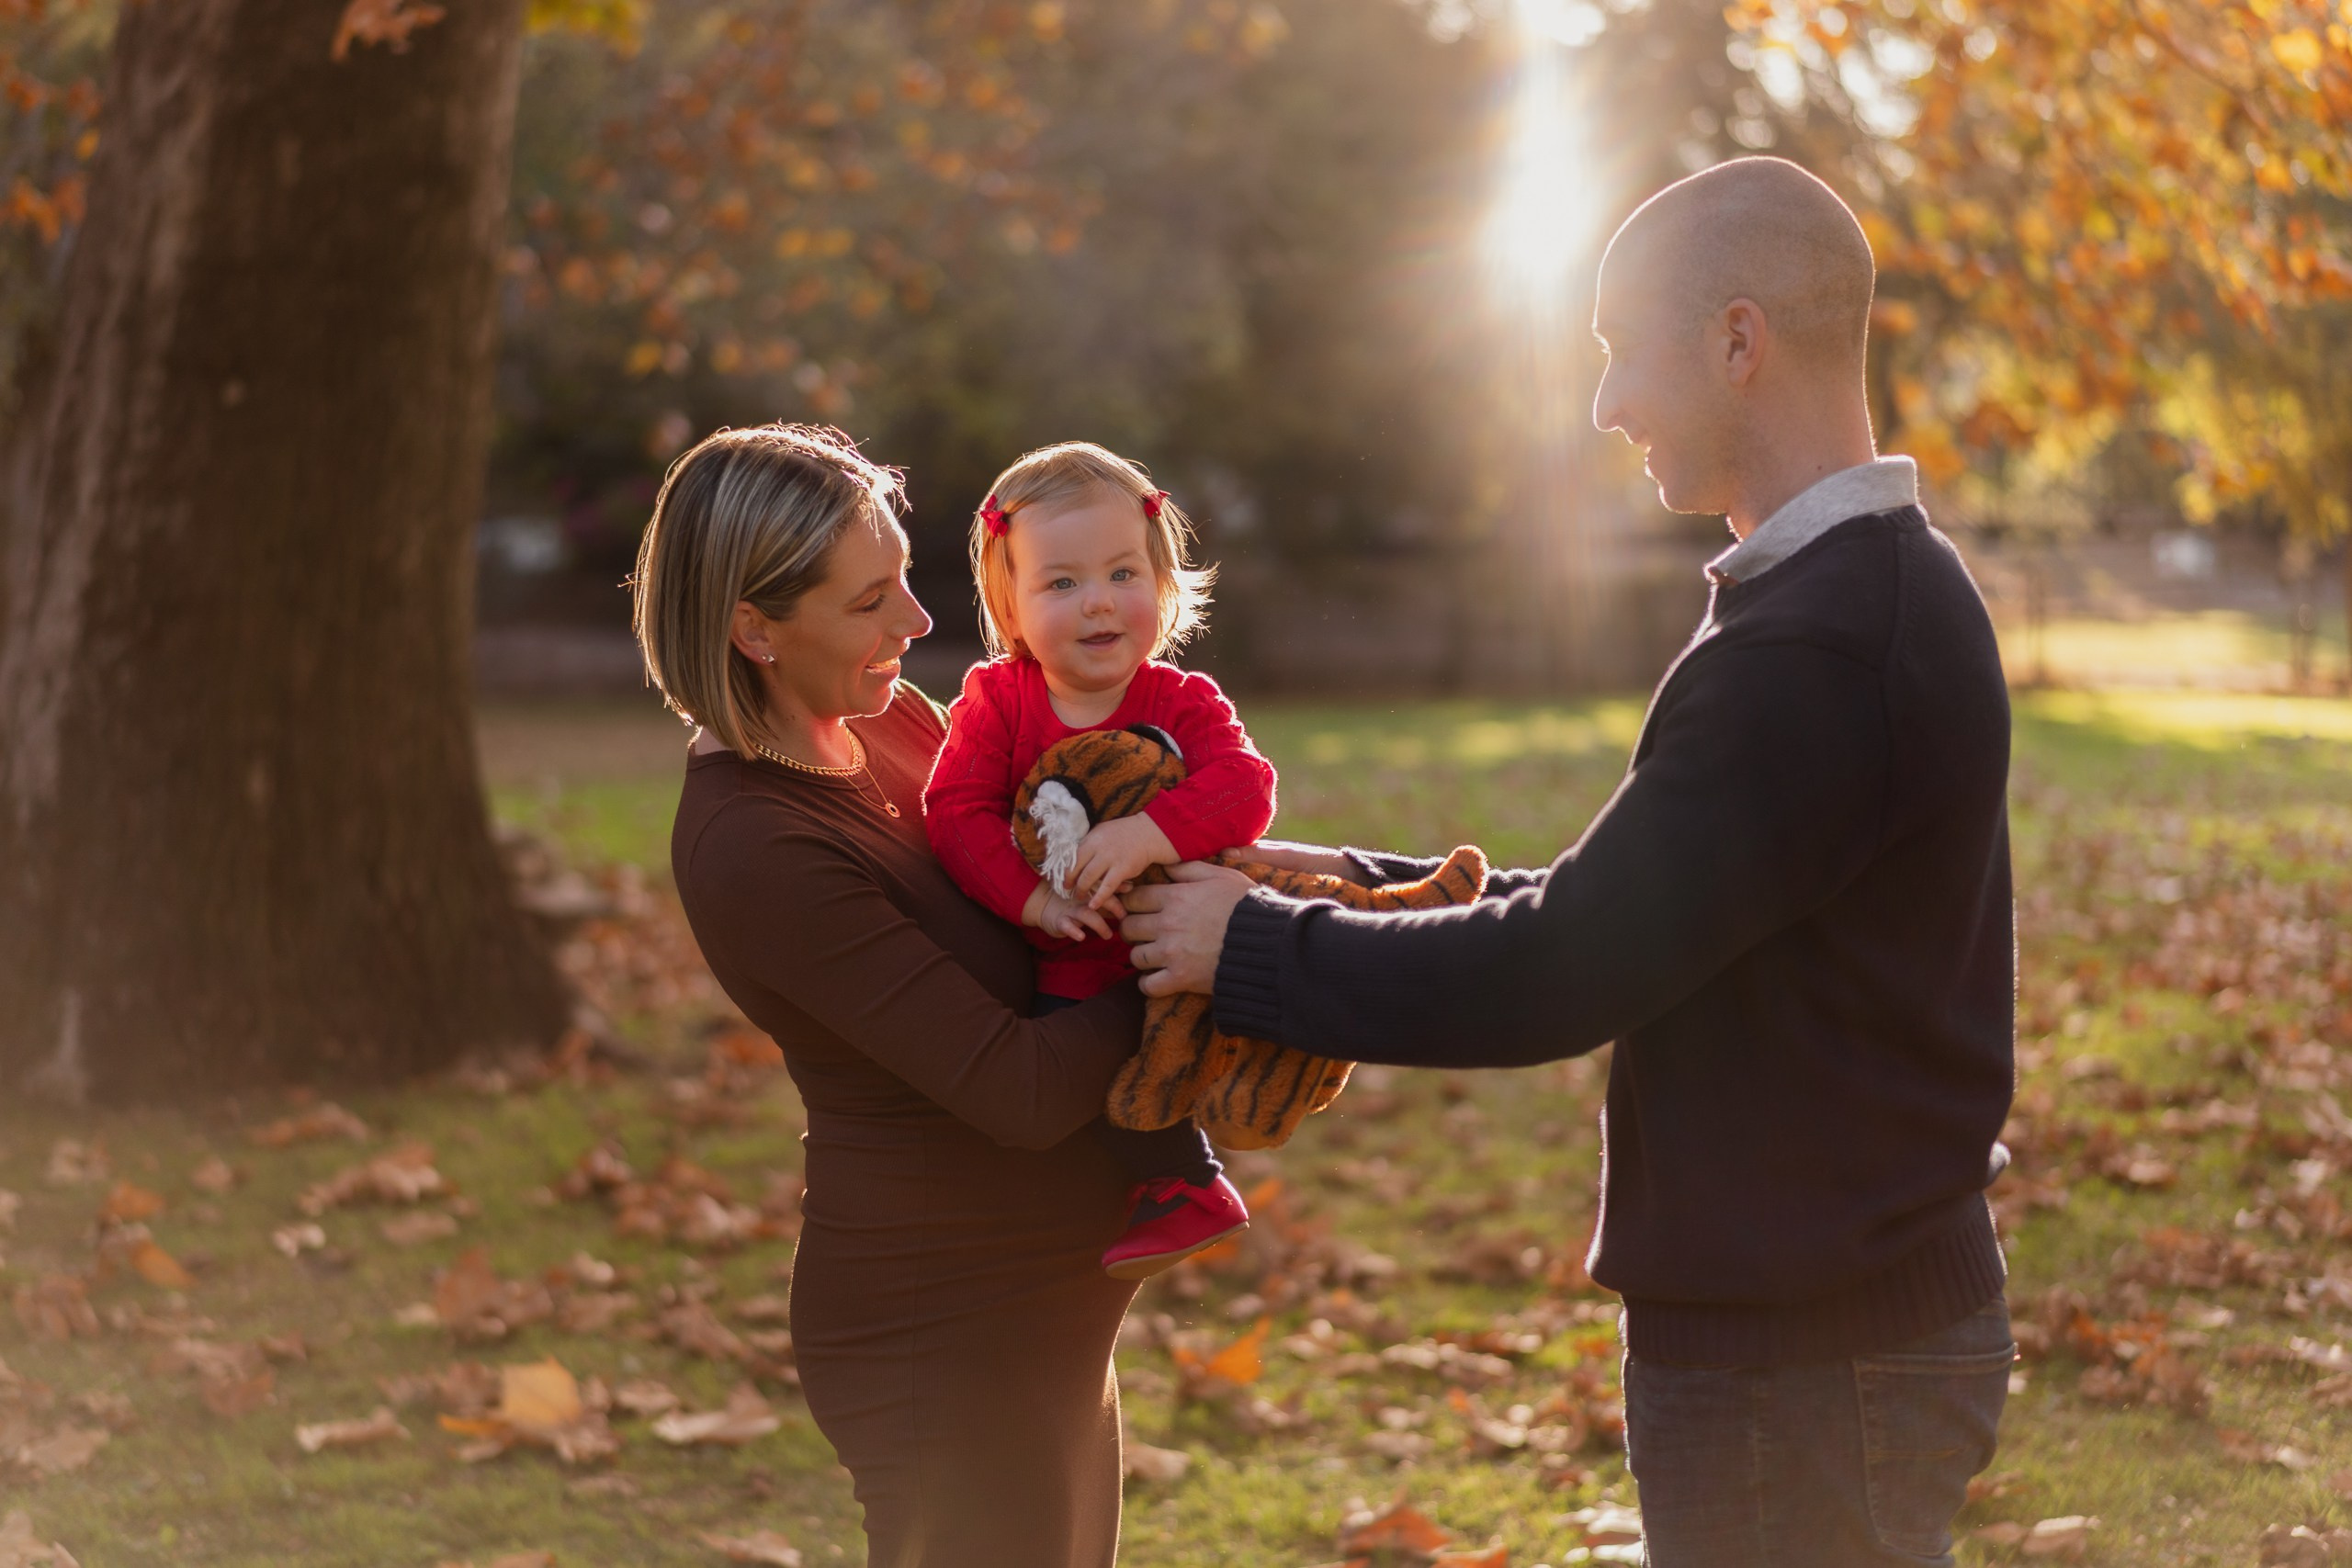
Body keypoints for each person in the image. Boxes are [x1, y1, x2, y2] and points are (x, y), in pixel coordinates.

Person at [1122, 157, 2018, 1568]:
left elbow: (1567, 966)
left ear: (1737, 340)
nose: (1605, 403)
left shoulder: (1820, 641)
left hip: (1806, 1356)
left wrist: (1252, 949)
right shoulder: (1860, 588)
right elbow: (1655, 898)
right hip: (1826, 1322)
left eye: (1620, 349)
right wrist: (1341, 882)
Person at [638, 423, 1148, 1567]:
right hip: (947, 1329)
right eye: (870, 601)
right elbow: (1017, 1089)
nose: (917, 622)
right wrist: (1185, 965)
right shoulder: (756, 846)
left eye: (905, 578)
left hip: (1050, 1308)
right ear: (754, 629)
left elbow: (1068, 868)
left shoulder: (893, 719)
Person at [924, 441, 1270, 1278]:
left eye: (1123, 573)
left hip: (1169, 945)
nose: (1100, 602)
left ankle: (1190, 1187)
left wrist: (1148, 831)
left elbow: (1245, 786)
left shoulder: (1181, 702)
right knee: (1048, 1078)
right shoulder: (1000, 702)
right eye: (1062, 583)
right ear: (1011, 609)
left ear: (1162, 581)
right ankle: (1126, 1192)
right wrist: (1036, 901)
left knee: (1129, 1073)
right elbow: (956, 811)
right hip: (1067, 951)